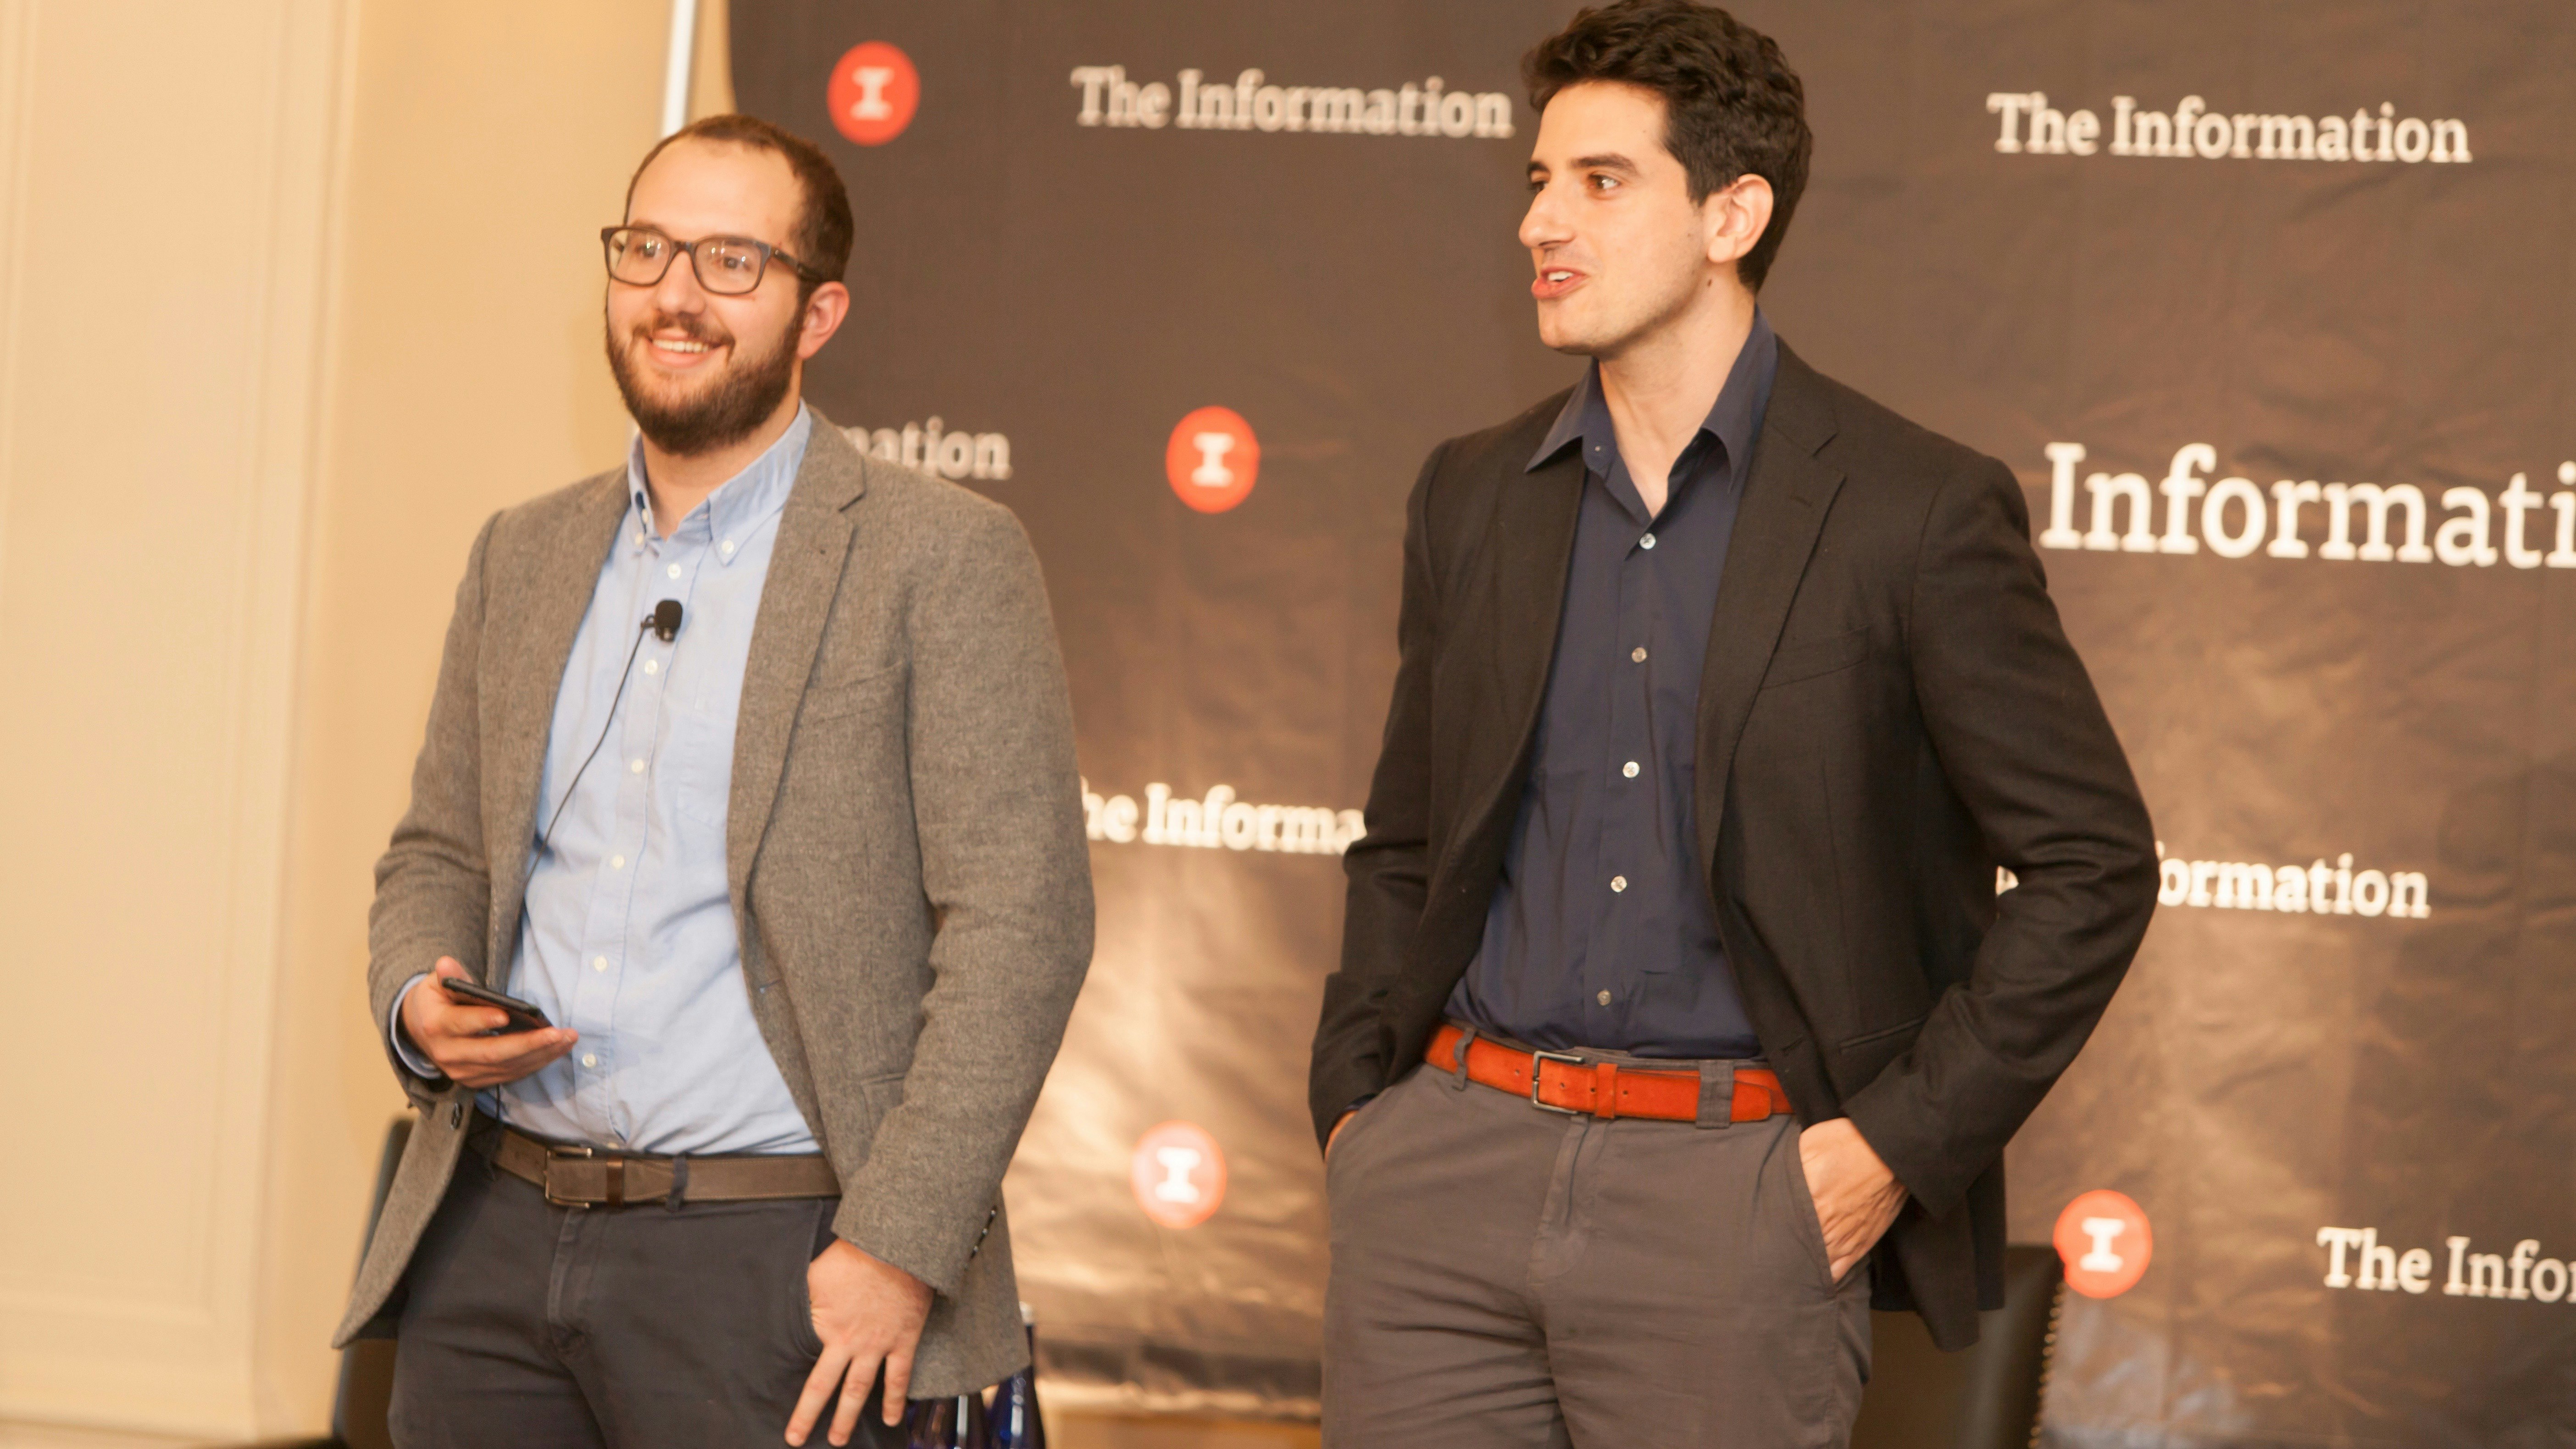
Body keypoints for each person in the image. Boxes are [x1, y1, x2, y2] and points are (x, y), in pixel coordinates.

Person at [1309, 3, 2158, 1443]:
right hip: (1442, 1184)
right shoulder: (1471, 492)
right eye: (1535, 181)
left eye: (1600, 180)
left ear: (1733, 213)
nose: (1541, 223)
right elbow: (1406, 834)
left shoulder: (1915, 509)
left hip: (1738, 1201)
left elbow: (2095, 864)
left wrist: (1888, 1148)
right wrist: (1357, 1112)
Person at [328, 114, 1093, 1449]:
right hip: (491, 1247)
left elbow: (1024, 932)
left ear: (819, 311)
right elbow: (437, 852)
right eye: (648, 250)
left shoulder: (940, 559)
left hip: (777, 1265)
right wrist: (419, 997)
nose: (675, 295)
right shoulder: (522, 553)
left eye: (731, 262)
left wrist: (897, 1250)